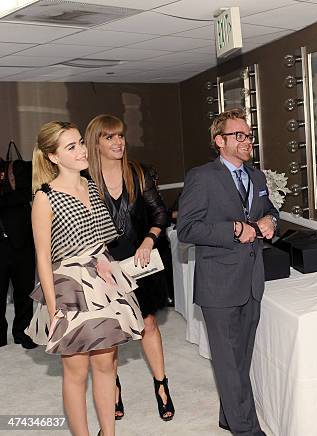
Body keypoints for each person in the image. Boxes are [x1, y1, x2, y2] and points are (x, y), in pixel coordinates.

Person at [26, 121, 144, 436]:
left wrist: (109, 267)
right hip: (69, 289)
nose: (81, 151)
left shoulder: (90, 185)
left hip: (102, 280)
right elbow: (42, 259)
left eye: (80, 143)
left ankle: (109, 433)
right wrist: (53, 311)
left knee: (106, 365)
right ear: (53, 157)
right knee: (76, 371)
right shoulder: (45, 197)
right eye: (71, 147)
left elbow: (103, 238)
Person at [177, 108, 279, 436]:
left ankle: (228, 415)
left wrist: (269, 222)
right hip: (218, 285)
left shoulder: (257, 177)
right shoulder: (202, 177)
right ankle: (247, 429)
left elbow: (270, 210)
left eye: (249, 135)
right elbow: (187, 229)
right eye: (240, 135)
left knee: (240, 359)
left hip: (251, 282)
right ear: (219, 141)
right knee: (228, 361)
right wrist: (234, 229)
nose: (248, 140)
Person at [84, 114, 174, 421]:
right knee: (114, 330)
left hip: (140, 262)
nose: (118, 142)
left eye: (120, 136)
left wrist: (150, 240)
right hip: (104, 268)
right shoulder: (84, 180)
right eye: (109, 137)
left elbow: (160, 213)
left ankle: (162, 385)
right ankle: (114, 387)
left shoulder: (139, 173)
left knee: (147, 323)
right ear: (95, 143)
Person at [0, 157, 37, 349]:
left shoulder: (16, 167)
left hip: (22, 243)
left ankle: (24, 332)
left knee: (24, 291)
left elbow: (25, 194)